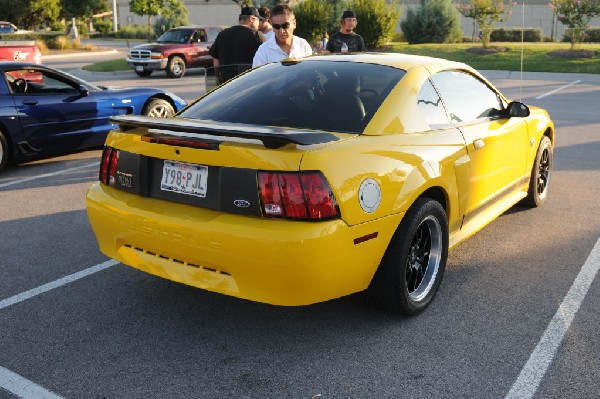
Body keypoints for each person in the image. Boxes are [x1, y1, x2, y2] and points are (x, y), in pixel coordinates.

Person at [209, 6, 265, 82]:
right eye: (258, 20)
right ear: (252, 19)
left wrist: (218, 77)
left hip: (227, 83)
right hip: (250, 81)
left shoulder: (222, 34)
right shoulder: (257, 35)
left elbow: (215, 58)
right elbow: (265, 58)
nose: (259, 24)